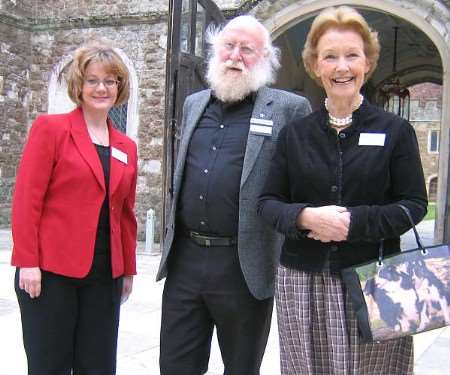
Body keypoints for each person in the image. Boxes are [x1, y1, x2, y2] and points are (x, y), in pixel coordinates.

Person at [258, 6, 428, 375]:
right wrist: (304, 217)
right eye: (330, 57)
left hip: (378, 279)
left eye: (352, 55)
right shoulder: (295, 135)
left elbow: (413, 205)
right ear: (315, 66)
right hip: (302, 282)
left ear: (367, 63)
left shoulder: (395, 131)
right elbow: (267, 203)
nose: (341, 67)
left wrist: (353, 223)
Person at [156, 15, 311, 375]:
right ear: (215, 50)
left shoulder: (289, 108)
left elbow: (304, 181)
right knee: (175, 365)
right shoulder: (194, 104)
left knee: (241, 368)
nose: (235, 56)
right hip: (185, 259)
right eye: (229, 46)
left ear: (266, 58)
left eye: (247, 49)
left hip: (244, 266)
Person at [11, 41, 138, 375]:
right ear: (78, 86)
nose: (101, 88)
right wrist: (28, 262)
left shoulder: (126, 146)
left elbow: (125, 212)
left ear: (119, 87)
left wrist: (127, 269)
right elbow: (27, 199)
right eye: (92, 80)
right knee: (49, 366)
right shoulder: (51, 129)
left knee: (97, 366)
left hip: (103, 276)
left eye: (109, 81)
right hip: (51, 275)